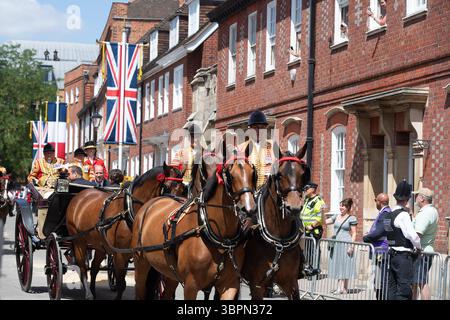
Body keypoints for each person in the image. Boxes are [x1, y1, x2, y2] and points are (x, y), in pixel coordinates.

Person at [383, 179, 421, 300]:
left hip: (391, 254)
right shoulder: (403, 215)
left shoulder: (388, 214)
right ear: (407, 199)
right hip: (403, 256)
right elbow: (413, 236)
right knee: (404, 291)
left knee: (392, 288)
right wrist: (419, 247)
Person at [237, 110, 277, 191]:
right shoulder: (241, 148)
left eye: (262, 127)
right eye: (255, 127)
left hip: (269, 191)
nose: (259, 131)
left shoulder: (273, 146)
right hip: (248, 190)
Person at [325, 198, 357, 295]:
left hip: (346, 243)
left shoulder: (352, 218)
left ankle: (342, 288)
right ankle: (342, 288)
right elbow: (325, 222)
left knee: (345, 265)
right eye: (340, 205)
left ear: (347, 207)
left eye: (343, 206)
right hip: (337, 244)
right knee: (339, 265)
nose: (341, 208)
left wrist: (352, 246)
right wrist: (322, 211)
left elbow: (354, 233)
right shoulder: (336, 216)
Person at [411, 187, 439, 300]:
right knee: (416, 282)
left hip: (421, 252)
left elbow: (418, 234)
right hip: (426, 251)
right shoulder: (432, 211)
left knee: (421, 282)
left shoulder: (425, 213)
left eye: (417, 195)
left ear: (422, 198)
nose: (415, 198)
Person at [363, 193, 390, 300]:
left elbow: (380, 232)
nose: (375, 203)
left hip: (381, 250)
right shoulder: (386, 213)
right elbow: (387, 230)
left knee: (380, 280)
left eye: (376, 201)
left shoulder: (385, 214)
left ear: (380, 202)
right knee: (378, 280)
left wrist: (366, 238)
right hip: (380, 249)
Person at [300, 182, 326, 275]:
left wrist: (312, 226)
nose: (305, 190)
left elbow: (320, 217)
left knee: (314, 250)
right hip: (306, 229)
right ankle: (309, 268)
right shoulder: (307, 200)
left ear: (313, 189)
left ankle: (315, 270)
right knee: (308, 250)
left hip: (314, 229)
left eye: (307, 188)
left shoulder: (319, 201)